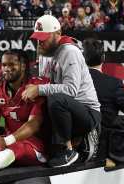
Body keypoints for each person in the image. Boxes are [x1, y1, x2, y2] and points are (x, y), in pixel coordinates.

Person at [22, 15, 101, 167]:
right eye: (37, 38)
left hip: (88, 112)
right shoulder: (54, 52)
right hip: (72, 111)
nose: (40, 42)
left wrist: (39, 89)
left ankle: (68, 150)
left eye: (43, 38)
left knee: (55, 98)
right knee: (45, 99)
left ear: (57, 34)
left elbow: (70, 90)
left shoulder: (69, 51)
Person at [82, 38, 124, 129]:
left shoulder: (73, 83)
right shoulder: (114, 84)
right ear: (103, 57)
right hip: (107, 138)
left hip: (78, 137)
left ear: (83, 58)